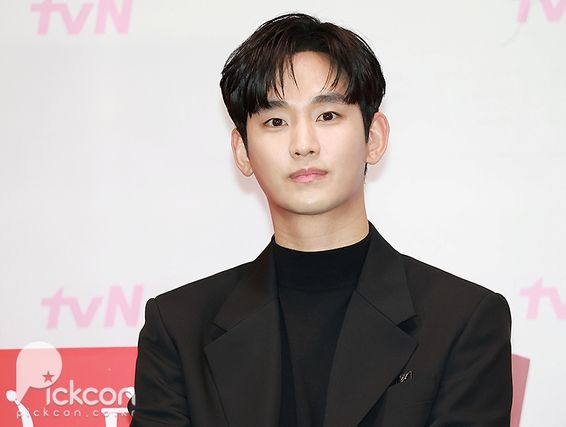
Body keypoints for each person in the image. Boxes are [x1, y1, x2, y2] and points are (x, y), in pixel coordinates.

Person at [130, 13, 512, 427]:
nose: (303, 144)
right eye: (276, 121)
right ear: (242, 151)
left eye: (327, 116)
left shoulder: (462, 321)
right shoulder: (179, 328)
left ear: (374, 137)